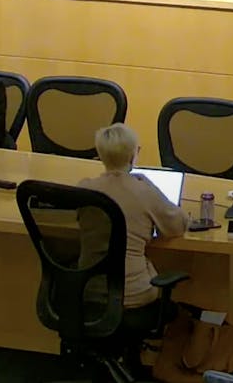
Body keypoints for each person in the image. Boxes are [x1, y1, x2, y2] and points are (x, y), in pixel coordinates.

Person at [78, 123, 188, 326]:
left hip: (88, 290)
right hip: (133, 295)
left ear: (100, 155)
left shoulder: (84, 189)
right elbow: (178, 226)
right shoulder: (143, 191)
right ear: (134, 155)